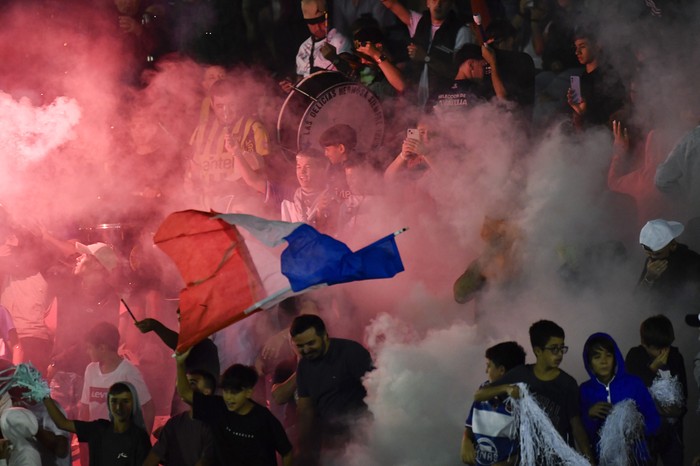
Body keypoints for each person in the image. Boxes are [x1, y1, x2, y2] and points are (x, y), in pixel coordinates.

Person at [473, 320, 595, 463]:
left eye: (562, 348)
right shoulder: (521, 374)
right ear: (538, 351)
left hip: (560, 459)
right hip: (529, 458)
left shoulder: (567, 383)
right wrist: (506, 388)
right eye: (554, 349)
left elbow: (576, 426)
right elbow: (479, 395)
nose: (559, 354)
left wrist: (590, 460)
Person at [175, 353, 293, 466]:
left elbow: (286, 452)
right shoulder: (217, 407)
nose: (229, 397)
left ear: (248, 392)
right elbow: (185, 394)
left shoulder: (263, 417)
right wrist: (180, 364)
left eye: (235, 392)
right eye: (226, 391)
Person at [290, 314, 373, 463]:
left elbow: (377, 389)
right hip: (331, 439)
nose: (306, 350)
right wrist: (302, 447)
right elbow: (305, 409)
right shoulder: (303, 366)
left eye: (311, 343)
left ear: (324, 336)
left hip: (362, 433)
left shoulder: (351, 352)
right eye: (300, 346)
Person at [186, 78, 270, 212]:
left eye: (231, 105)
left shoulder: (253, 129)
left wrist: (226, 187)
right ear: (212, 105)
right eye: (220, 106)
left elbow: (261, 176)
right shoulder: (201, 131)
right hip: (205, 210)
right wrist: (192, 184)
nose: (226, 111)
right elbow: (192, 169)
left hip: (241, 211)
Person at [579, 332, 660, 463]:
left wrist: (637, 430)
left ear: (615, 358)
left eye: (608, 355)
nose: (604, 361)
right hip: (604, 459)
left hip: (638, 458)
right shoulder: (585, 390)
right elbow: (582, 433)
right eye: (597, 357)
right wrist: (589, 415)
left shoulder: (634, 383)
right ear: (589, 363)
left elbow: (654, 418)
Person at [380, 0, 472, 108]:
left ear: (451, 3)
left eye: (444, 1)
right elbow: (391, 4)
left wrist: (426, 58)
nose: (438, 4)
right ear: (427, 2)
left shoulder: (461, 31)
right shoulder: (420, 22)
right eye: (434, 0)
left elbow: (460, 73)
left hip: (444, 105)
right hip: (414, 103)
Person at [625, 315, 687, 466]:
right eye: (657, 349)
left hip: (672, 432)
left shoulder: (675, 357)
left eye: (666, 347)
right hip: (644, 432)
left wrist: (678, 410)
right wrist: (653, 368)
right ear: (644, 344)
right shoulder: (635, 355)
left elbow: (684, 393)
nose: (662, 352)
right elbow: (631, 390)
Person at [43, 382, 151, 466]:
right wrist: (43, 395)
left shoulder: (139, 438)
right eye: (114, 401)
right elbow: (63, 423)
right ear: (108, 403)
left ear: (134, 403)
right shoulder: (98, 429)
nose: (119, 407)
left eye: (125, 401)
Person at [79, 322, 154, 433]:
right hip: (97, 440)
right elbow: (84, 407)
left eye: (90, 348)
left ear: (102, 348)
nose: (87, 351)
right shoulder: (91, 370)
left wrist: (143, 441)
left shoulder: (128, 372)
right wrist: (83, 439)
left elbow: (148, 408)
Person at [460, 341, 526, 465]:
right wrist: (466, 442)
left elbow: (530, 448)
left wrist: (507, 464)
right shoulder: (484, 390)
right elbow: (469, 426)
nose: (486, 370)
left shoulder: (523, 403)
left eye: (489, 366)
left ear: (501, 370)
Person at [143, 369, 216, 466]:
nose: (184, 387)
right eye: (183, 383)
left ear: (207, 391)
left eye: (192, 383)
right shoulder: (174, 422)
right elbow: (154, 456)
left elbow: (206, 461)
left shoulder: (214, 425)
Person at [566, 27, 625, 130]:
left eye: (582, 46)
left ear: (597, 46)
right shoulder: (582, 78)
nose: (577, 52)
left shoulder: (609, 76)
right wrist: (578, 113)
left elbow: (612, 114)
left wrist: (584, 113)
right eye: (576, 48)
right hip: (586, 136)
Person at [637, 219, 700, 313]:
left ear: (673, 245)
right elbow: (636, 300)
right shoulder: (651, 261)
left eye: (657, 254)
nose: (651, 258)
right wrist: (648, 278)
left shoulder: (692, 261)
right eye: (648, 254)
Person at [294, 0, 351, 79]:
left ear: (328, 18)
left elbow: (350, 72)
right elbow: (300, 78)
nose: (318, 27)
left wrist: (335, 59)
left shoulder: (339, 40)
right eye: (313, 23)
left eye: (321, 21)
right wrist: (291, 86)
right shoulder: (303, 47)